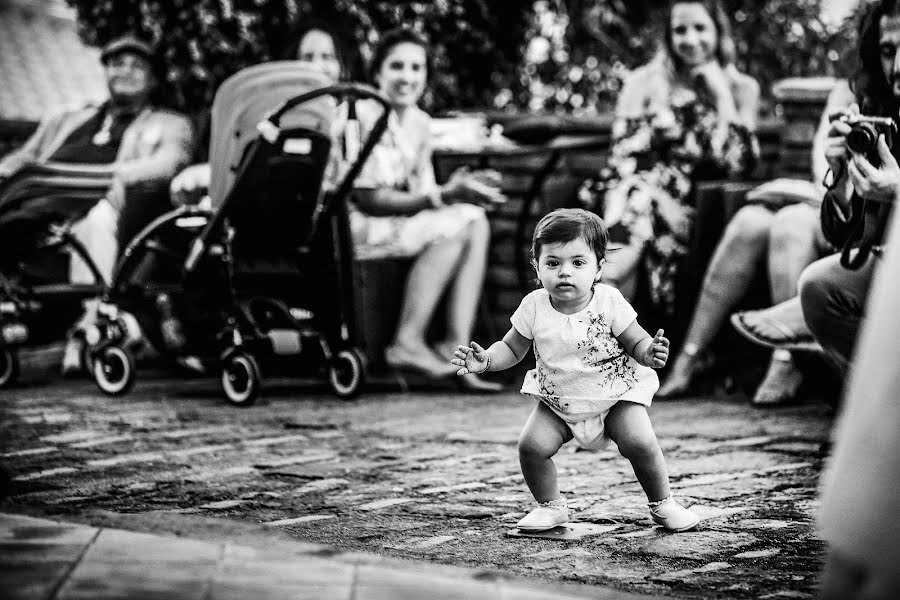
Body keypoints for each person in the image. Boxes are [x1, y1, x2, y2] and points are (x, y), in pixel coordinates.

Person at [451, 208, 700, 532]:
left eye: (578, 263)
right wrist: (485, 361)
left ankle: (663, 503)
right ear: (536, 267)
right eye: (553, 263)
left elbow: (636, 340)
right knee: (532, 447)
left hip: (614, 398)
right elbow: (511, 348)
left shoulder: (609, 301)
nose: (564, 272)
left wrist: (649, 352)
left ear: (598, 267)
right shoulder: (534, 306)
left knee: (640, 443)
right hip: (559, 401)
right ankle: (550, 506)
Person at [0, 33, 194, 374]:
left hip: (96, 206)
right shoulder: (66, 118)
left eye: (137, 65)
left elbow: (169, 163)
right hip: (37, 201)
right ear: (105, 72)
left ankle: (91, 327)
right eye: (117, 63)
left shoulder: (169, 123)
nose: (125, 71)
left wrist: (114, 177)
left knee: (97, 219)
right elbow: (25, 156)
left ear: (153, 79)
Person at [658, 81, 853, 405]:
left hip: (853, 207)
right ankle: (691, 355)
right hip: (827, 193)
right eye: (886, 51)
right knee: (748, 222)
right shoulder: (850, 90)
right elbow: (824, 164)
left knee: (789, 225)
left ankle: (786, 359)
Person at [740, 0, 899, 379]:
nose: (898, 66)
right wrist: (841, 177)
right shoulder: (883, 112)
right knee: (820, 287)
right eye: (889, 51)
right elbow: (853, 240)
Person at [351, 28, 506, 390]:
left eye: (416, 68)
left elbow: (425, 194)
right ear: (377, 73)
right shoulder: (360, 114)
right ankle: (407, 341)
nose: (407, 77)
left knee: (475, 220)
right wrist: (446, 197)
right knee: (459, 222)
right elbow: (368, 199)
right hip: (362, 225)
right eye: (397, 66)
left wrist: (460, 191)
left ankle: (457, 348)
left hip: (398, 223)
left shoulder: (420, 123)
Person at [582, 0, 759, 314]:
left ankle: (601, 289)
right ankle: (607, 290)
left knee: (635, 218)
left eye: (700, 28)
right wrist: (660, 200)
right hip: (633, 191)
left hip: (693, 208)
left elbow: (740, 165)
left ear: (718, 31)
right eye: (680, 30)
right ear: (668, 37)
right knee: (638, 199)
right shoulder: (644, 83)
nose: (690, 40)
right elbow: (623, 156)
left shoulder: (741, 88)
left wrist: (721, 96)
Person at [170, 19, 357, 207]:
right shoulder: (277, 115)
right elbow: (252, 162)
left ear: (342, 67)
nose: (316, 66)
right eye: (307, 57)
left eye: (327, 57)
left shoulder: (355, 115)